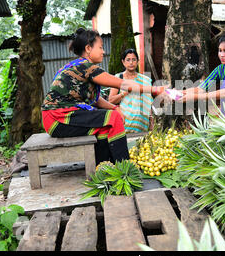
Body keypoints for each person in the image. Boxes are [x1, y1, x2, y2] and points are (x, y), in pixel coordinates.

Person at [41, 28, 165, 165]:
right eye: (100, 47)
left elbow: (97, 100)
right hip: (59, 118)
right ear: (88, 48)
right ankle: (125, 167)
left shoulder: (77, 66)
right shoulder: (86, 67)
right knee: (113, 118)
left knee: (106, 126)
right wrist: (155, 89)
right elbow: (123, 84)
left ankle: (104, 167)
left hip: (57, 119)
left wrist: (114, 107)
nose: (103, 51)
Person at [108, 49, 153, 133]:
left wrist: (151, 121)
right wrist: (124, 93)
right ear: (123, 62)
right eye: (128, 60)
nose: (131, 63)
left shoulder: (145, 80)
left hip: (142, 124)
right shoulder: (118, 78)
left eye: (134, 60)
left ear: (138, 61)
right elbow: (111, 100)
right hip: (124, 124)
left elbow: (148, 102)